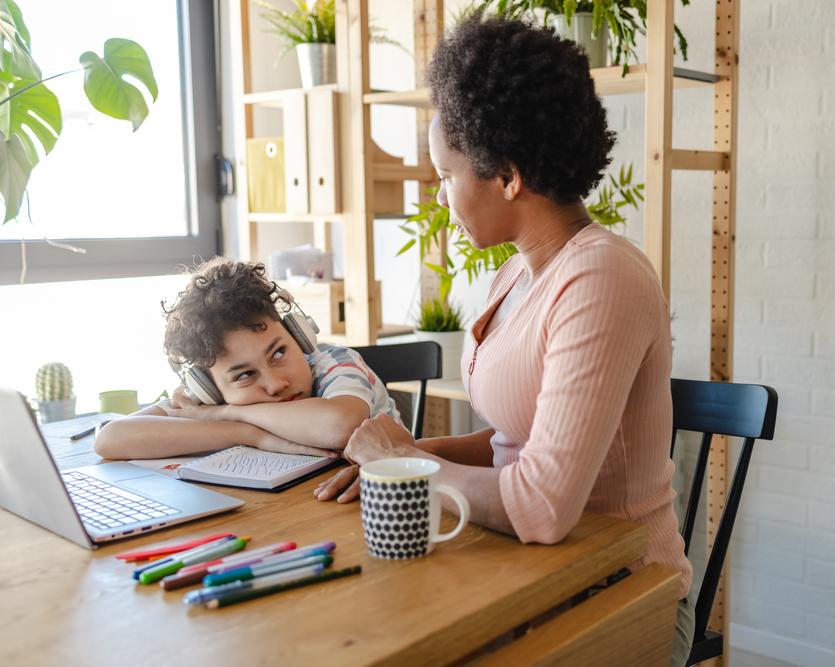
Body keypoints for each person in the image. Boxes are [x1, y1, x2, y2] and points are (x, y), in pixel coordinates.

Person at [313, 14, 695, 665]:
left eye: (445, 174)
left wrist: (403, 465)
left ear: (508, 175)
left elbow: (544, 505)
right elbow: (515, 440)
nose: (440, 197)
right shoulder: (514, 273)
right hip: (531, 569)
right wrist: (415, 449)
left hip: (623, 588)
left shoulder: (602, 276)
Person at [95, 258, 398, 493]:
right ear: (208, 390)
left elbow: (341, 425)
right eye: (244, 376)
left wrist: (225, 413)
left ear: (299, 335)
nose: (276, 383)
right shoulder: (205, 399)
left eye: (279, 353)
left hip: (383, 500)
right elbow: (111, 439)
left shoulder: (335, 362)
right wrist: (248, 433)